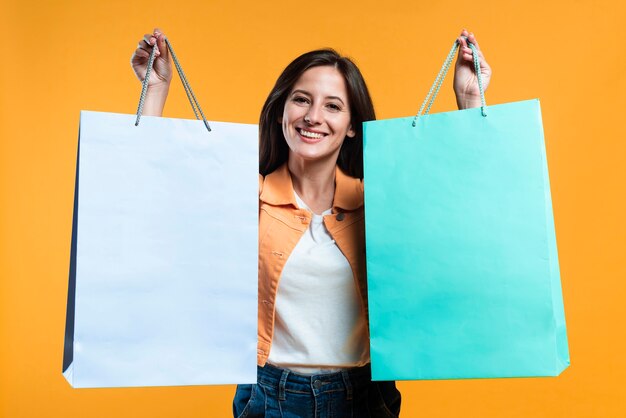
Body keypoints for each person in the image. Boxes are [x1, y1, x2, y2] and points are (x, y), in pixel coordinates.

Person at [131, 28, 491, 418]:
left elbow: (465, 213)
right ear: (282, 109)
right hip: (268, 396)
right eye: (301, 100)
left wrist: (471, 99)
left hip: (365, 398)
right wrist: (155, 90)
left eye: (333, 106)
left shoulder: (382, 204)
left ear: (353, 124)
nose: (313, 116)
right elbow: (158, 205)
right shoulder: (243, 196)